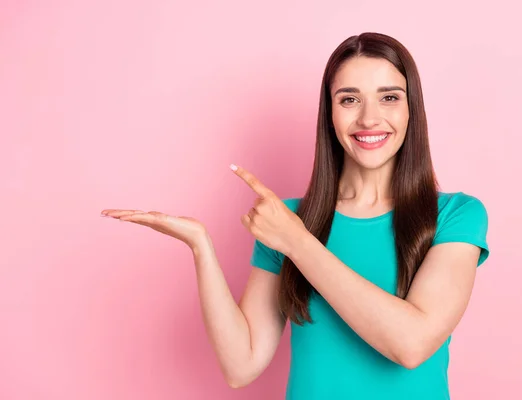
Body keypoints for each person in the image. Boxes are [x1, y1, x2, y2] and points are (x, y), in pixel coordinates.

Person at [101, 32, 489, 400]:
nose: (370, 118)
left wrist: (298, 242)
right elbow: (242, 364)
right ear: (330, 113)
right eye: (349, 99)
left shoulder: (456, 215)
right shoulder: (287, 220)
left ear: (411, 110)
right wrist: (201, 246)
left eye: (389, 97)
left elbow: (411, 344)